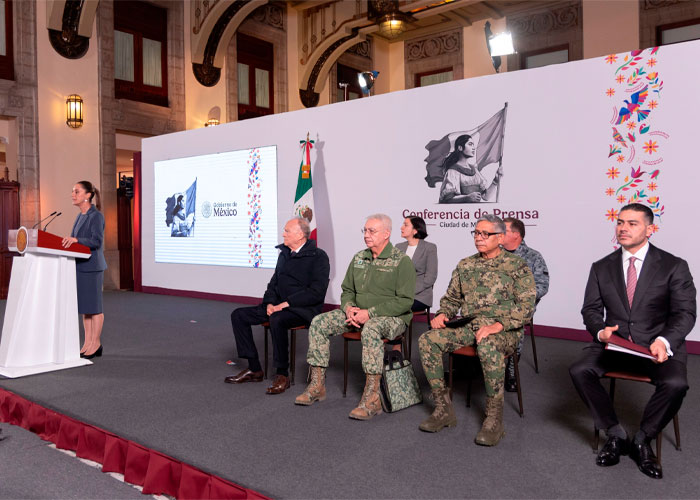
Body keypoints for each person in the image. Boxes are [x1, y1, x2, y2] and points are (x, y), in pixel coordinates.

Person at [569, 203, 696, 480]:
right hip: (616, 346)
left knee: (677, 384)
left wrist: (664, 340)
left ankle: (643, 439)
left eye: (632, 223)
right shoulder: (601, 267)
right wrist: (601, 331)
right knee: (579, 370)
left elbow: (685, 313)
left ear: (650, 229)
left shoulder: (674, 266)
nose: (623, 228)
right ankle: (615, 434)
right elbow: (590, 310)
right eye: (620, 222)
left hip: (656, 348)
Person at [418, 214, 535, 446]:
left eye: (485, 234)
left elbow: (526, 307)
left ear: (500, 237)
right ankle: (443, 409)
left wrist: (497, 326)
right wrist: (443, 313)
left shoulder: (517, 266)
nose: (479, 238)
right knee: (427, 340)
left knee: (488, 345)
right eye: (476, 233)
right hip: (471, 325)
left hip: (505, 329)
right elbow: (452, 299)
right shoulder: (466, 264)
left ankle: (494, 419)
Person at [295, 214, 416, 420]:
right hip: (357, 314)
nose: (367, 235)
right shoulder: (359, 257)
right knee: (319, 322)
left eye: (372, 231)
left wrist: (370, 314)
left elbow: (405, 301)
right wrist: (349, 307)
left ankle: (372, 398)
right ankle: (316, 386)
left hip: (391, 318)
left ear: (386, 234)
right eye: (365, 231)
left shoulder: (401, 261)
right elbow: (347, 290)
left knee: (371, 328)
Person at [225, 217, 329, 394]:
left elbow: (316, 292)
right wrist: (270, 303)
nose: (283, 234)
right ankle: (254, 368)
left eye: (287, 231)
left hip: (302, 309)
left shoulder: (318, 257)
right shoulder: (284, 254)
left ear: (301, 235)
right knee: (238, 315)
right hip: (278, 306)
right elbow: (273, 283)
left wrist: (286, 304)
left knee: (277, 319)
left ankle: (282, 374)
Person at [502, 217, 549, 391]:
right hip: (493, 305)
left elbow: (542, 286)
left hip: (519, 306)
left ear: (516, 235)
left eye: (503, 230)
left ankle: (512, 371)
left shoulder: (533, 257)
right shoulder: (494, 255)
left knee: (515, 323)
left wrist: (518, 297)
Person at [61, 181, 107, 360]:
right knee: (86, 308)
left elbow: (96, 241)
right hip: (80, 266)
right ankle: (87, 343)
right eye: (73, 191)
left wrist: (76, 240)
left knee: (95, 308)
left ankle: (96, 343)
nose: (73, 194)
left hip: (93, 267)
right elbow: (76, 239)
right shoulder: (80, 216)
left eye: (77, 191)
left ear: (88, 195)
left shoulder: (96, 216)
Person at [438, 134, 501, 204]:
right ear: (460, 148)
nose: (473, 148)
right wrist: (467, 197)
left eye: (473, 145)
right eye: (470, 144)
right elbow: (448, 199)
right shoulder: (453, 171)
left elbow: (486, 197)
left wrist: (495, 181)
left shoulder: (474, 170)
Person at [396, 216, 438, 313]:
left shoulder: (430, 248)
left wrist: (406, 292)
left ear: (415, 230)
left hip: (420, 296)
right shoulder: (398, 247)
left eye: (405, 225)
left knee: (394, 307)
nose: (401, 227)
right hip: (398, 294)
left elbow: (430, 278)